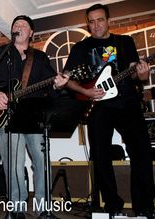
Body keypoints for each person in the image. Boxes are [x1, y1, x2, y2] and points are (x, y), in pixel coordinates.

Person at [64, 4, 154, 218]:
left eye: (100, 20)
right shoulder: (80, 48)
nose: (96, 25)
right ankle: (112, 205)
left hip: (128, 103)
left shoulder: (124, 42)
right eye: (91, 21)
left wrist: (142, 74)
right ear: (88, 24)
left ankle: (143, 206)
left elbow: (136, 74)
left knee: (141, 152)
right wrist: (87, 92)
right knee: (101, 157)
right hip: (98, 107)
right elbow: (68, 80)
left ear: (108, 20)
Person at [0, 15, 69, 218]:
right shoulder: (1, 53)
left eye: (24, 25)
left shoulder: (40, 57)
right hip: (7, 117)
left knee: (41, 162)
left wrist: (57, 84)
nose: (18, 27)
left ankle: (43, 207)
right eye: (15, 25)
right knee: (13, 165)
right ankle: (16, 209)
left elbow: (50, 87)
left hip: (34, 114)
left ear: (31, 33)